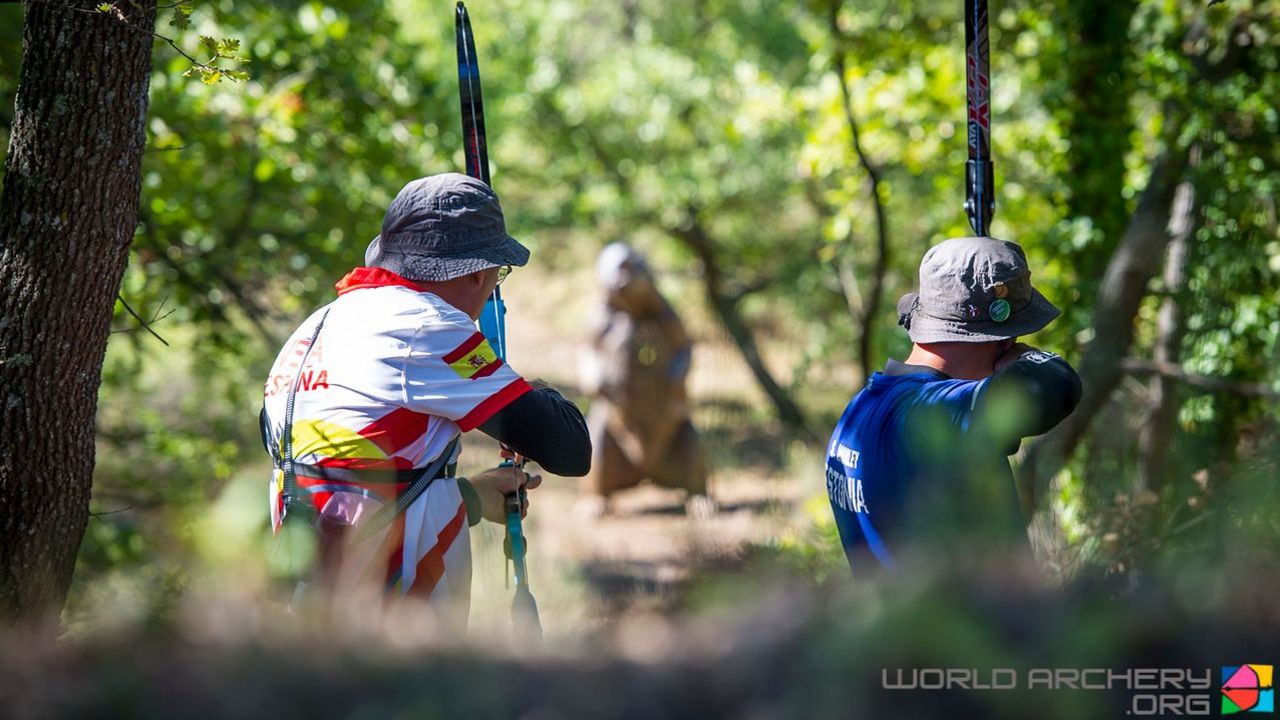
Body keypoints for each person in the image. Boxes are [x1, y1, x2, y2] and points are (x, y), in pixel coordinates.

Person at [260, 173, 591, 619]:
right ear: (478, 273)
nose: (496, 284)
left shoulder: (319, 325)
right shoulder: (426, 326)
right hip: (389, 620)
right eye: (500, 272)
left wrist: (470, 498)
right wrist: (514, 384)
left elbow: (353, 479)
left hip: (305, 604)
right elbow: (569, 449)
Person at [825, 236, 1081, 572]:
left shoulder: (858, 411)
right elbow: (1058, 384)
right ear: (1004, 341)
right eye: (1017, 336)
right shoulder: (938, 412)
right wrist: (1023, 359)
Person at [579, 242, 710, 515]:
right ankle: (597, 494)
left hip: (664, 413)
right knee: (598, 433)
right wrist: (593, 375)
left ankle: (697, 491)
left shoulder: (662, 312)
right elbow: (589, 350)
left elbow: (683, 347)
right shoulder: (603, 313)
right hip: (620, 412)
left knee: (688, 435)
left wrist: (677, 376)